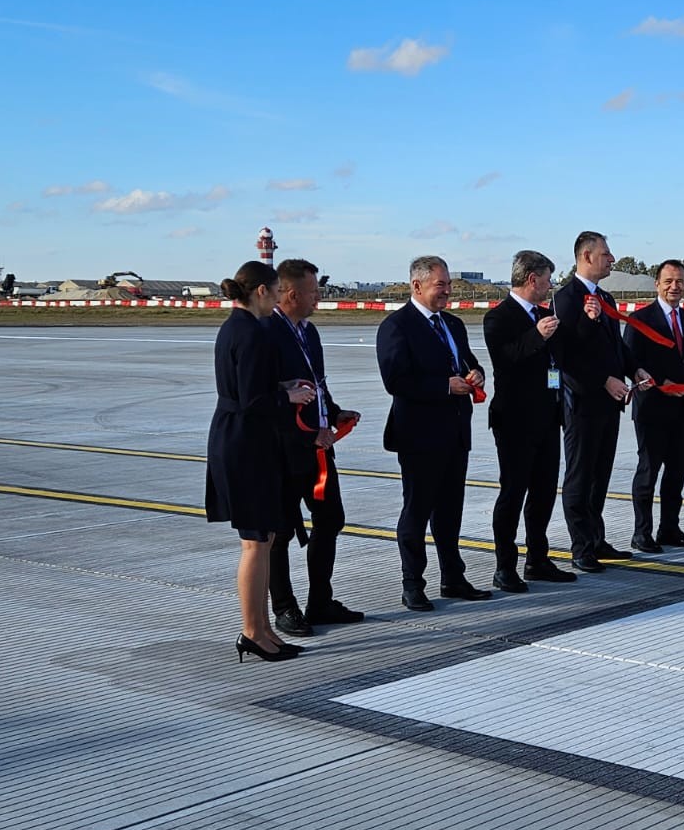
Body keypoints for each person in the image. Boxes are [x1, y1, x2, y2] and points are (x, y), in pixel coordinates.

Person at [205, 260, 315, 662]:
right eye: (276, 291)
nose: (278, 299)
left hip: (241, 439)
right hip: (246, 444)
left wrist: (281, 385)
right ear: (262, 291)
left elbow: (246, 388)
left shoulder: (237, 328)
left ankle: (264, 628)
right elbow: (253, 401)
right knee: (255, 542)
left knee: (263, 539)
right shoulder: (251, 332)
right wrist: (288, 396)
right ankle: (252, 631)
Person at [376, 255, 490, 612]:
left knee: (450, 511)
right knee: (417, 511)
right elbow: (395, 380)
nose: (448, 291)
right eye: (441, 285)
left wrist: (476, 374)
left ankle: (453, 578)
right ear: (417, 285)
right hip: (419, 436)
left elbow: (468, 361)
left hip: (455, 432)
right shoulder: (397, 326)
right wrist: (444, 386)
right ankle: (412, 583)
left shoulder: (452, 324)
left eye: (449, 284)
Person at [265, 259, 363, 635]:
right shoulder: (267, 332)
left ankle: (320, 602)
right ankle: (284, 607)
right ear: (292, 294)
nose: (318, 298)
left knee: (330, 519)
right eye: (313, 292)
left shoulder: (309, 331)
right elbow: (267, 399)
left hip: (318, 448)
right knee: (280, 533)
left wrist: (334, 413)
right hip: (283, 452)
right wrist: (308, 435)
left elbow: (316, 385)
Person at [552, 231, 653, 573]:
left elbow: (615, 345)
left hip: (610, 402)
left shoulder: (605, 297)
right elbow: (567, 355)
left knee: (600, 475)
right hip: (583, 403)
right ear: (586, 256)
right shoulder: (565, 298)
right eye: (606, 254)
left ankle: (596, 539)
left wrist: (634, 368)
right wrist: (603, 380)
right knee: (580, 476)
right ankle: (580, 547)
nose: (612, 259)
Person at [483, 250, 571, 593]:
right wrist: (537, 335)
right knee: (513, 493)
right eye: (547, 280)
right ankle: (504, 566)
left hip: (548, 417)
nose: (550, 286)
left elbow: (562, 359)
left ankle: (538, 559)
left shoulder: (547, 315)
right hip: (515, 421)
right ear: (532, 279)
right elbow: (505, 360)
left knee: (544, 492)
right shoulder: (498, 318)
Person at [624, 260, 684, 553]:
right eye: (668, 281)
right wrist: (662, 382)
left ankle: (669, 528)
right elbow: (631, 360)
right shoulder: (641, 319)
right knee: (648, 471)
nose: (675, 287)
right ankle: (641, 532)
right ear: (657, 284)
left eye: (680, 281)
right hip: (653, 408)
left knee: (676, 472)